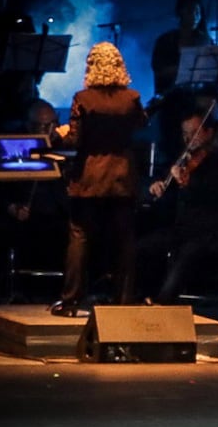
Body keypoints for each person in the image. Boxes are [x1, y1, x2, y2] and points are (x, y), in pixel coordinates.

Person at [49, 42, 148, 316]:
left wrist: (58, 133)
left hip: (89, 178)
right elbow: (140, 126)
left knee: (80, 236)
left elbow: (76, 139)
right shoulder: (132, 98)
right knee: (124, 239)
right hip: (122, 178)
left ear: (91, 66)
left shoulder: (83, 98)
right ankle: (124, 300)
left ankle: (71, 301)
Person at [135, 107, 218, 306]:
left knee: (186, 254)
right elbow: (166, 190)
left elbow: (210, 195)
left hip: (209, 232)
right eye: (185, 134)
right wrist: (157, 186)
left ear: (208, 132)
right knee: (142, 248)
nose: (189, 138)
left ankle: (163, 303)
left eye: (195, 132)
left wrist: (186, 183)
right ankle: (141, 297)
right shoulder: (182, 160)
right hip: (182, 229)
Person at [0, 98, 71, 303]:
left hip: (56, 215)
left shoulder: (62, 145)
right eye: (42, 126)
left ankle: (66, 294)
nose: (49, 130)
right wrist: (11, 207)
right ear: (29, 125)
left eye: (52, 124)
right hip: (21, 215)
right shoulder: (12, 144)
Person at [148, 0, 215, 161]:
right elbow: (159, 70)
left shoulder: (204, 40)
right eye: (191, 11)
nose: (195, 17)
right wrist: (184, 68)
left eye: (198, 12)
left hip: (196, 95)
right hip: (171, 95)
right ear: (180, 13)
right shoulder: (166, 40)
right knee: (175, 109)